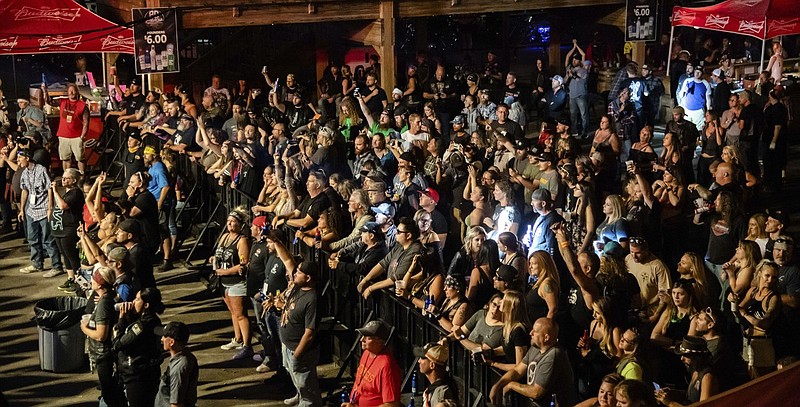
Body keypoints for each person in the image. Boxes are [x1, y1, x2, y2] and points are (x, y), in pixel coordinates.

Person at [489, 317, 577, 407]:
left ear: (546, 337)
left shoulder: (553, 355)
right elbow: (517, 371)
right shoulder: (535, 348)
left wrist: (511, 385)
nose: (531, 333)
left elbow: (536, 392)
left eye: (535, 331)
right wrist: (497, 385)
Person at [277, 260, 323, 406]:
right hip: (288, 345)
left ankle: (307, 402)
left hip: (300, 350)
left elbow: (309, 333)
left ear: (308, 278)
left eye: (299, 272)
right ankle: (299, 395)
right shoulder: (298, 288)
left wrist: (297, 354)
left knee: (306, 384)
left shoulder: (312, 300)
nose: (295, 274)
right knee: (295, 377)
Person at [113, 288, 165, 407]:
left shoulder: (141, 327)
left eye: (137, 299)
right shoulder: (154, 320)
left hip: (136, 376)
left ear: (146, 305)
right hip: (147, 373)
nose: (133, 302)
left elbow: (118, 344)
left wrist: (121, 320)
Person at [214, 210, 253, 360]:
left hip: (236, 282)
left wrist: (225, 272)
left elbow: (243, 264)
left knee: (241, 314)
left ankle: (247, 345)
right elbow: (219, 254)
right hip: (224, 283)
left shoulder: (242, 240)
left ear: (240, 224)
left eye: (233, 221)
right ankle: (237, 339)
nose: (229, 223)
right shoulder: (224, 237)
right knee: (232, 312)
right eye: (228, 220)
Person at [18, 149, 63, 275]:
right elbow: (24, 190)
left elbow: (49, 189)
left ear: (27, 158)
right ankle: (37, 264)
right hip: (31, 211)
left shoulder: (41, 170)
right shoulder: (25, 173)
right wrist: (22, 209)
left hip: (43, 210)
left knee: (48, 239)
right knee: (32, 239)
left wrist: (50, 208)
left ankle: (56, 266)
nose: (18, 161)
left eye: (19, 158)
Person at [81, 267, 121, 407]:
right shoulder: (108, 297)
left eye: (94, 277)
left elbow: (101, 335)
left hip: (103, 354)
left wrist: (84, 328)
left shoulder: (104, 303)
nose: (91, 279)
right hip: (106, 353)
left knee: (109, 393)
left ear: (99, 284)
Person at [343, 320, 402, 407]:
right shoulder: (367, 352)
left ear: (380, 341)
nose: (362, 339)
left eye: (368, 337)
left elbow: (392, 404)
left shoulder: (387, 366)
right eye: (362, 335)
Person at [655, 336, 720, 405]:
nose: (682, 358)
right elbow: (693, 396)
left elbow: (704, 406)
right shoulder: (696, 371)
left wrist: (670, 403)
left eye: (686, 355)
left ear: (697, 357)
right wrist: (674, 393)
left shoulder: (707, 378)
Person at [48, 167, 83, 284]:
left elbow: (63, 206)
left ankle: (80, 280)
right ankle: (70, 278)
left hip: (69, 230)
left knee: (71, 255)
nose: (63, 180)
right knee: (65, 255)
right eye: (62, 178)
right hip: (59, 229)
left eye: (66, 178)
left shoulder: (76, 192)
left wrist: (55, 191)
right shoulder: (66, 192)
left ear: (74, 180)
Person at [44, 83, 88, 173]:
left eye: (73, 90)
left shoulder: (82, 105)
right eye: (69, 91)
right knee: (65, 158)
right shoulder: (63, 101)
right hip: (63, 135)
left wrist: (82, 136)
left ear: (77, 92)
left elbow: (86, 122)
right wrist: (45, 91)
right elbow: (50, 102)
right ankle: (66, 176)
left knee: (80, 158)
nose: (71, 92)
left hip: (77, 136)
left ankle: (82, 177)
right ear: (67, 92)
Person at [153, 321, 199, 407]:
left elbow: (176, 403)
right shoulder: (188, 357)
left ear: (171, 342)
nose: (162, 339)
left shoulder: (179, 368)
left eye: (164, 336)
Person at [415, 341, 460, 407]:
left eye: (422, 358)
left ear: (432, 365)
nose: (419, 361)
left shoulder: (440, 394)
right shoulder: (438, 386)